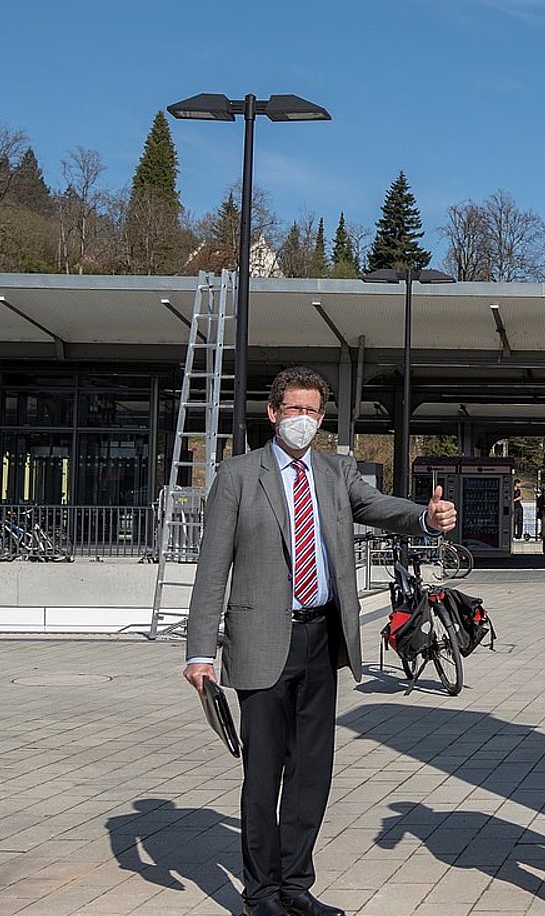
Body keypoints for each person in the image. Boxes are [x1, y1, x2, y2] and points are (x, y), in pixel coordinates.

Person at [184, 367, 457, 916]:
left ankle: (295, 884)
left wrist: (424, 519)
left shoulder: (335, 472)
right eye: (294, 409)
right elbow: (212, 567)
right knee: (264, 774)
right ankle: (260, 893)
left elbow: (377, 507)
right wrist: (198, 652)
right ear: (273, 413)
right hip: (261, 640)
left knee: (312, 771)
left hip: (320, 638)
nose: (304, 420)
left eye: (313, 411)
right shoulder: (238, 475)